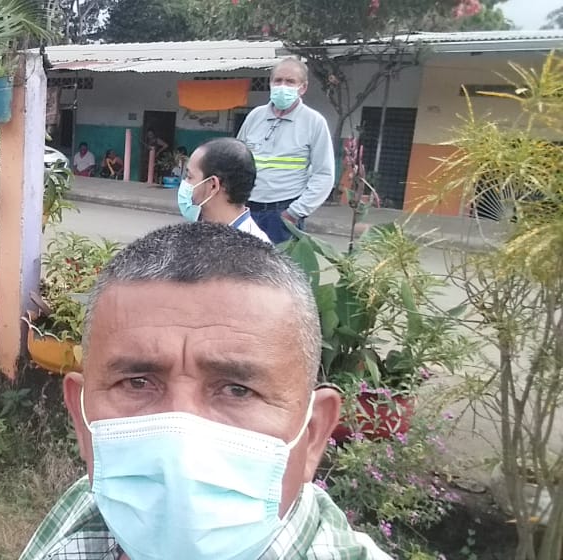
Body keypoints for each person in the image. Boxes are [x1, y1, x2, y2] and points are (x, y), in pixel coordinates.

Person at [20, 223, 391, 560]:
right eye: (137, 382)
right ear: (82, 419)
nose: (179, 448)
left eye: (237, 390)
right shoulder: (83, 517)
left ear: (313, 434)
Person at [238, 57, 335, 244]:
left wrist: (295, 212)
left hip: (282, 214)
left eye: (290, 81)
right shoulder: (255, 116)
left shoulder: (314, 122)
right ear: (270, 83)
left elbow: (324, 174)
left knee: (279, 264)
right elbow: (236, 159)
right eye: (278, 80)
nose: (282, 86)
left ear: (303, 88)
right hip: (247, 210)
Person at [178, 137, 271, 243]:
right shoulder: (205, 231)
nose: (185, 183)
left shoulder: (251, 248)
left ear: (213, 185)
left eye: (189, 177)